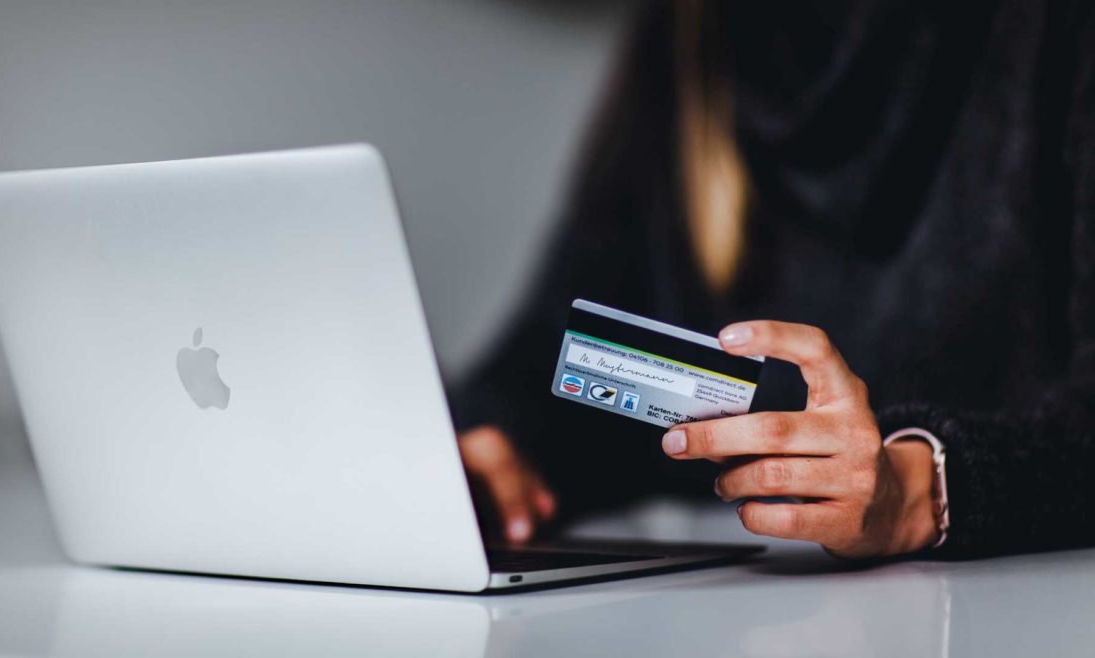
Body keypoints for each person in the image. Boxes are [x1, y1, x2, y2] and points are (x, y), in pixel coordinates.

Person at [449, 0, 1095, 559]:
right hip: (717, 610)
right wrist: (488, 447)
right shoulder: (692, 32)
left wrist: (924, 489)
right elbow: (553, 352)